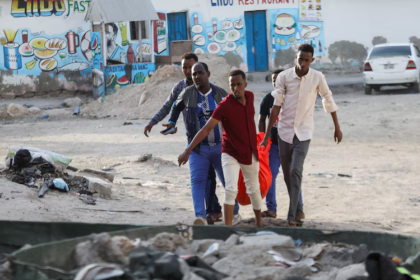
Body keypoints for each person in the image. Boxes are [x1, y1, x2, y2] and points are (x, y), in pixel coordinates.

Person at [260, 44, 343, 227]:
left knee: (296, 171)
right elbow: (276, 107)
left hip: (304, 132)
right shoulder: (284, 77)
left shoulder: (317, 77)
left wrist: (336, 127)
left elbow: (327, 99)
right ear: (296, 58)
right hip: (284, 132)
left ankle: (291, 216)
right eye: (300, 59)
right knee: (288, 175)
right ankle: (299, 211)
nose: (303, 63)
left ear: (312, 61)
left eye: (307, 60)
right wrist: (266, 135)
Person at [143, 53, 224, 224]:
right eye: (185, 68)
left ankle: (213, 211)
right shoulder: (180, 88)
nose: (189, 71)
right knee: (201, 178)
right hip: (194, 139)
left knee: (212, 177)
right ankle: (209, 212)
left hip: (213, 139)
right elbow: (169, 107)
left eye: (192, 68)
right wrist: (156, 122)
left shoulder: (213, 90)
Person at [178, 70, 263, 228]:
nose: (236, 88)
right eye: (232, 85)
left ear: (245, 85)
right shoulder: (224, 105)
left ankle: (259, 223)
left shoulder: (250, 97)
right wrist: (188, 150)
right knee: (230, 189)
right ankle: (227, 227)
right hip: (229, 152)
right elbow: (205, 129)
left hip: (249, 151)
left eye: (239, 84)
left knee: (254, 189)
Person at [168, 63, 241, 226]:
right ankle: (200, 216)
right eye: (194, 74)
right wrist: (172, 122)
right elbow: (175, 107)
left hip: (221, 147)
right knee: (197, 181)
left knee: (227, 181)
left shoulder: (220, 93)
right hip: (197, 149)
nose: (196, 77)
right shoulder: (187, 93)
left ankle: (235, 214)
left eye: (200, 73)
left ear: (208, 73)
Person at [258, 69, 303, 219]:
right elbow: (261, 120)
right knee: (269, 176)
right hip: (274, 147)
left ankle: (297, 210)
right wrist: (263, 138)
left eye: (278, 80)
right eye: (273, 80)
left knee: (293, 176)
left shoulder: (294, 99)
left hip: (291, 145)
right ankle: (271, 209)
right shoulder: (267, 99)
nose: (275, 83)